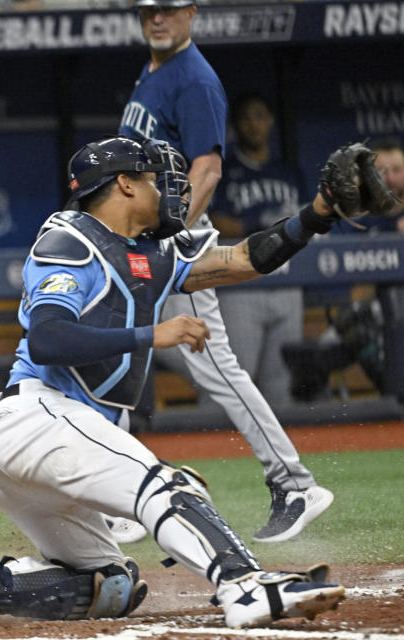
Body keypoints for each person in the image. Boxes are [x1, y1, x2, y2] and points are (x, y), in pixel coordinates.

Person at [0, 136, 349, 631]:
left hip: (56, 438)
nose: (168, 191)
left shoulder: (149, 251)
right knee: (167, 486)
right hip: (35, 419)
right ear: (125, 184)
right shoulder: (69, 239)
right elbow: (49, 337)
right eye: (154, 179)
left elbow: (242, 260)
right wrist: (151, 335)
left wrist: (318, 213)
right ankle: (244, 586)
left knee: (112, 584)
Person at [117, 0, 331, 544]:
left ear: (191, 12)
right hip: (143, 235)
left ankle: (294, 482)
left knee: (217, 367)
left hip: (175, 238)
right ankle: (119, 494)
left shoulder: (195, 78)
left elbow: (207, 170)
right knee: (116, 354)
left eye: (166, 9)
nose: (156, 18)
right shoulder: (154, 71)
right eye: (147, 11)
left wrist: (166, 240)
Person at [209, 93, 307, 407]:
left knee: (281, 382)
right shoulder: (225, 170)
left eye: (261, 116)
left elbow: (307, 214)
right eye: (247, 117)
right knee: (239, 376)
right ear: (236, 125)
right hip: (243, 283)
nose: (254, 124)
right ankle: (222, 450)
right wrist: (258, 223)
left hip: (288, 280)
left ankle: (280, 452)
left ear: (271, 121)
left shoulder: (288, 170)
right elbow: (215, 222)